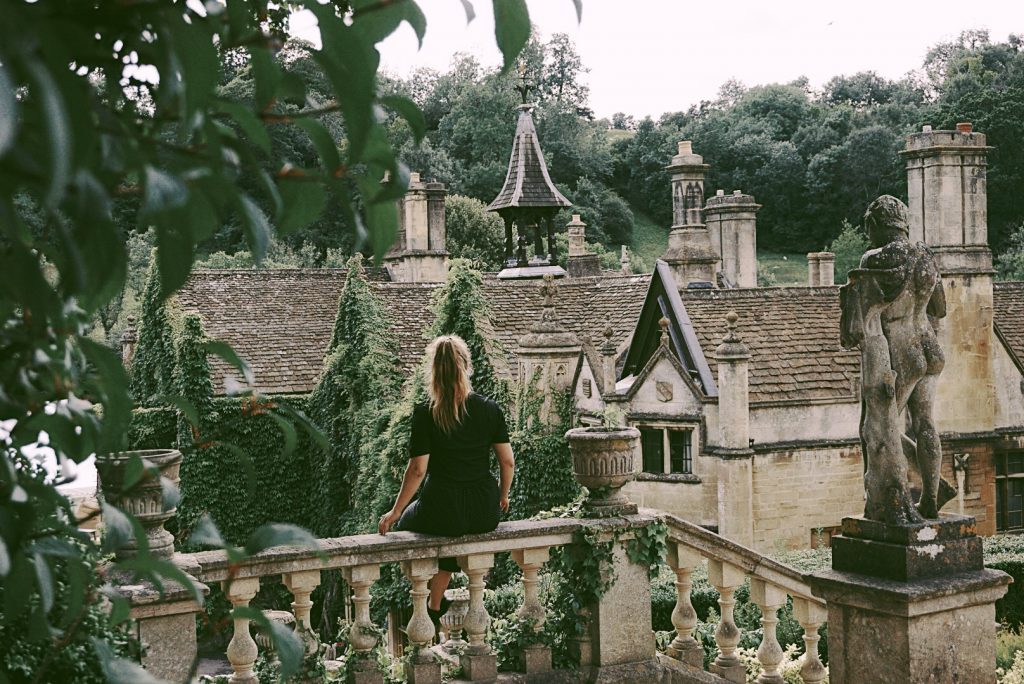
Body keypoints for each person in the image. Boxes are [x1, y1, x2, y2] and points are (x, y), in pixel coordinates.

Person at [377, 335, 515, 627]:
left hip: (442, 507)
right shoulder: (489, 409)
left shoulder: (426, 413)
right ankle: (436, 602)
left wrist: (396, 510)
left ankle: (429, 599)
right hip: (483, 510)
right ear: (466, 366)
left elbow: (417, 471)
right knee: (458, 529)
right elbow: (507, 462)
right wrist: (503, 496)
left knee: (410, 525)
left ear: (433, 371)